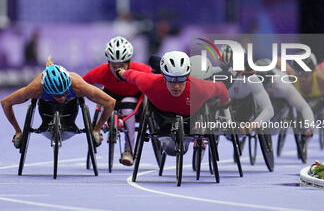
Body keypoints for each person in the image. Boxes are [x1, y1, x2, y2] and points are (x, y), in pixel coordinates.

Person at [116, 51, 230, 156]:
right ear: (164, 77)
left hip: (191, 124)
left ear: (187, 76)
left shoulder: (200, 87)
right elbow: (132, 75)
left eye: (180, 80)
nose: (176, 86)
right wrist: (122, 72)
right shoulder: (150, 82)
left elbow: (221, 88)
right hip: (162, 124)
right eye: (171, 79)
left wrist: (224, 102)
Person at [1, 57, 116, 149]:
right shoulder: (35, 88)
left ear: (69, 86)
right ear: (46, 88)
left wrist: (97, 129)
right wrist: (18, 131)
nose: (61, 97)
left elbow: (110, 102)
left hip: (70, 112)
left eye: (65, 93)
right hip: (46, 111)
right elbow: (6, 103)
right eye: (57, 95)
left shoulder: (78, 86)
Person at [83, 36, 151, 166]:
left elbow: (156, 82)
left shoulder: (141, 70)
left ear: (129, 63)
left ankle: (128, 151)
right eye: (114, 66)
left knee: (127, 106)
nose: (117, 70)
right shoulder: (102, 71)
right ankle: (99, 131)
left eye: (121, 66)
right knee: (106, 99)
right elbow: (81, 83)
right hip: (110, 101)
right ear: (108, 63)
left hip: (133, 102)